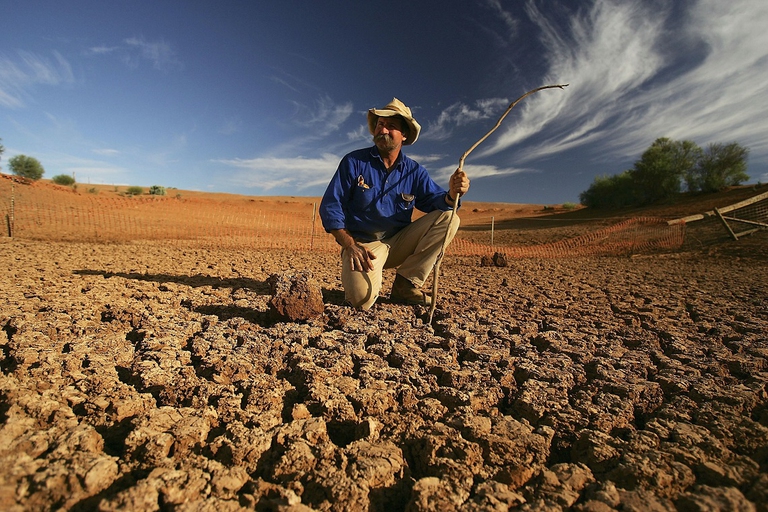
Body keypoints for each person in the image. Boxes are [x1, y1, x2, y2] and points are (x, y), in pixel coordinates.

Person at [319, 98, 470, 310]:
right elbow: (331, 205)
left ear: (404, 135)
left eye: (391, 126)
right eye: (380, 124)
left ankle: (406, 285)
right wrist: (350, 245)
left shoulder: (414, 171)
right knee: (360, 302)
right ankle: (368, 278)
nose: (384, 130)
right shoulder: (354, 162)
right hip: (363, 246)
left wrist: (453, 193)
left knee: (449, 218)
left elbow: (436, 202)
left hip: (399, 242)